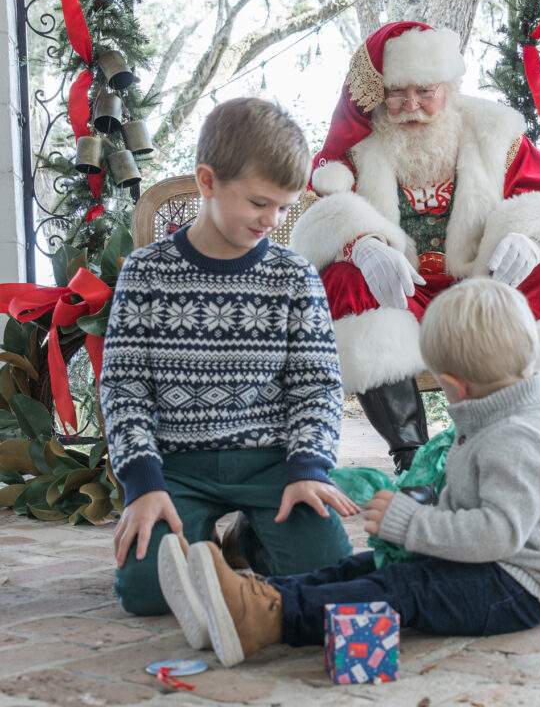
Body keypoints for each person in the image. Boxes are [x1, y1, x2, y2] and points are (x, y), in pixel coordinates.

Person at [157, 277, 540, 667]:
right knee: (361, 568)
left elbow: (497, 534)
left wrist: (413, 522)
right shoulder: (502, 413)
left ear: (456, 386)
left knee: (403, 587)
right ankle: (253, 599)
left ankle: (268, 619)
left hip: (515, 589)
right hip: (484, 566)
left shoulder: (519, 437)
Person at [289, 21, 540, 476]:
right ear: (378, 93)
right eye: (396, 92)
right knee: (343, 278)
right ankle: (412, 456)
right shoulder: (358, 149)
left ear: (450, 87)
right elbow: (325, 217)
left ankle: (511, 439)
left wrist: (532, 235)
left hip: (485, 288)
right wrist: (361, 243)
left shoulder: (495, 133)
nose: (410, 106)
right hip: (404, 292)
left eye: (425, 91)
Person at [100, 97, 358, 626]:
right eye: (261, 203)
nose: (273, 220)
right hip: (176, 468)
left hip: (272, 464)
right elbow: (123, 389)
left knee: (327, 571)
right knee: (148, 595)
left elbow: (318, 388)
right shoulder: (146, 272)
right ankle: (198, 532)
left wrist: (307, 466)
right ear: (208, 181)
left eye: (285, 207)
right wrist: (143, 485)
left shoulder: (294, 277)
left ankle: (250, 535)